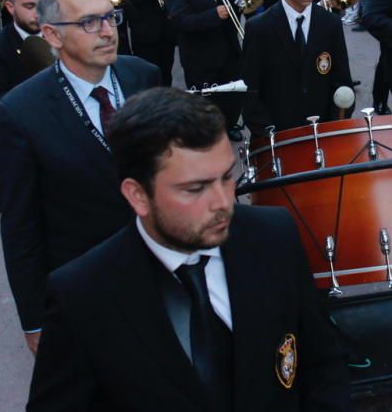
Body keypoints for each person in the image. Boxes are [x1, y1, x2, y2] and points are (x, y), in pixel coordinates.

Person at [27, 87, 350, 410]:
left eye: (226, 178)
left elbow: (321, 361)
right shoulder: (82, 295)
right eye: (195, 189)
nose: (223, 203)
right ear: (137, 195)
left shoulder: (273, 237)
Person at [0, 0, 160, 353]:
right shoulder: (20, 113)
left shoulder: (142, 74)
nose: (106, 32)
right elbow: (20, 226)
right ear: (52, 35)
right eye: (89, 22)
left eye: (109, 17)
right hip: (87, 285)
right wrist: (35, 319)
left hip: (158, 269)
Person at [241, 0, 353, 137]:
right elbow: (250, 91)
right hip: (277, 136)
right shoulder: (259, 28)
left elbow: (341, 82)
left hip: (322, 133)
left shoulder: (330, 24)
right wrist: (268, 133)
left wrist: (333, 127)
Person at [165, 0, 244, 141]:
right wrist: (213, 15)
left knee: (233, 94)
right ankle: (210, 135)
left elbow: (237, 5)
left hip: (228, 47)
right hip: (201, 55)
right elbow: (180, 21)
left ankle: (230, 125)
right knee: (207, 100)